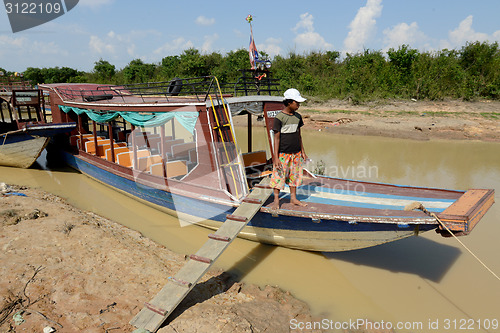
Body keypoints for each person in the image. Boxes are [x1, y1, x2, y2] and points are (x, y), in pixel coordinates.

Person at [270, 88, 308, 210]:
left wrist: (303, 151)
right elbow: (276, 139)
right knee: (278, 176)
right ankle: (276, 200)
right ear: (289, 102)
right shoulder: (279, 118)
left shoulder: (298, 117)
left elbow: (299, 135)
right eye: (297, 103)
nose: (298, 105)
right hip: (283, 153)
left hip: (296, 152)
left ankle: (293, 198)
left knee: (295, 176)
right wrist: (276, 158)